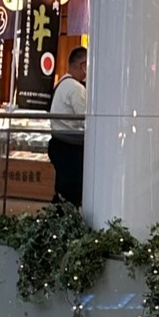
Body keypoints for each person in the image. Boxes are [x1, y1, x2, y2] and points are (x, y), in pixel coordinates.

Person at [48, 45, 88, 207]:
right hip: (71, 148)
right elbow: (85, 119)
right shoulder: (76, 89)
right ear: (83, 65)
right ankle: (63, 219)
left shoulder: (62, 83)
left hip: (58, 143)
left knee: (63, 190)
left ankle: (56, 217)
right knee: (71, 193)